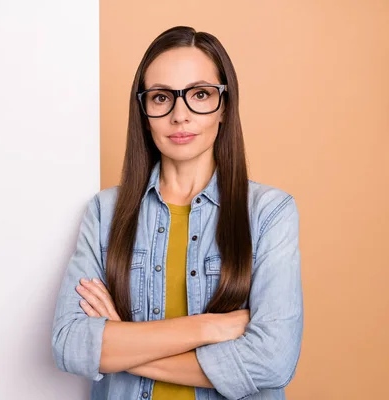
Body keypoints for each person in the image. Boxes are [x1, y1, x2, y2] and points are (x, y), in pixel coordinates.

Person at [51, 26, 303, 400]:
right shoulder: (106, 212)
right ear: (144, 111)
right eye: (161, 97)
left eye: (200, 94)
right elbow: (69, 344)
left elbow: (273, 361)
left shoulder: (269, 213)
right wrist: (208, 328)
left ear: (225, 106)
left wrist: (120, 347)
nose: (180, 115)